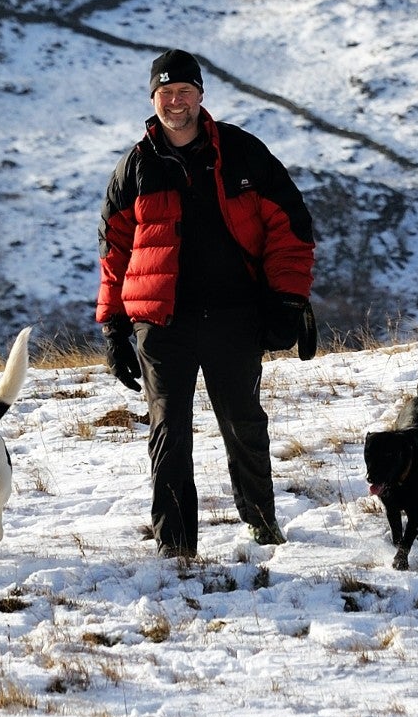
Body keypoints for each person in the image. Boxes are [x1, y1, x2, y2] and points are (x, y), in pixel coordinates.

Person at [95, 49, 318, 558]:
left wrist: (288, 300)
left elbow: (291, 227)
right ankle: (175, 546)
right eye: (165, 93)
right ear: (153, 99)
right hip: (161, 321)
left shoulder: (241, 153)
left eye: (185, 91)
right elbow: (113, 251)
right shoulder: (136, 166)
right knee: (168, 432)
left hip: (233, 314)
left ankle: (261, 521)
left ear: (201, 95)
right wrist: (112, 328)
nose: (176, 102)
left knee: (243, 422)